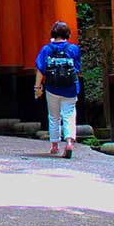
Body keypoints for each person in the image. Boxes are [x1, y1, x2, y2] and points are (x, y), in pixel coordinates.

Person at [34, 20, 81, 159]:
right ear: (68, 34)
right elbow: (77, 69)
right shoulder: (73, 49)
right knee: (69, 114)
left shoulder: (46, 49)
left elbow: (40, 70)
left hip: (52, 88)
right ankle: (69, 141)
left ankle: (54, 144)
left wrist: (37, 87)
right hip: (70, 88)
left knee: (54, 116)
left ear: (53, 34)